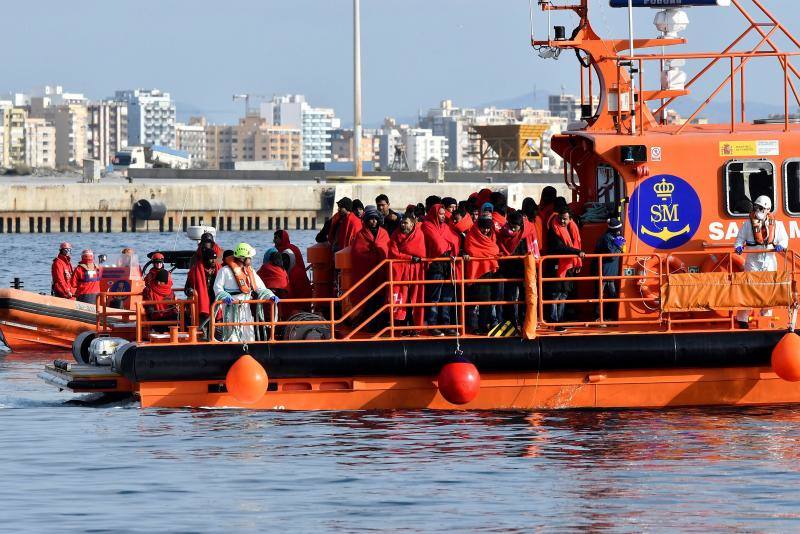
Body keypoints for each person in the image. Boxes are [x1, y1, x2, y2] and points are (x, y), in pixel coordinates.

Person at [735, 195, 789, 328]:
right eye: (756, 207)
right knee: (749, 291)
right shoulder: (747, 224)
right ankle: (742, 319)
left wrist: (781, 245)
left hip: (770, 262)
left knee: (768, 292)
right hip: (752, 262)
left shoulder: (777, 224)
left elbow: (784, 239)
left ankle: (766, 317)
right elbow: (739, 239)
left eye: (760, 208)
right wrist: (738, 246)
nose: (757, 210)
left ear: (767, 209)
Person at [213, 242, 277, 342]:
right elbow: (217, 288)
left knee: (249, 335)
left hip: (246, 308)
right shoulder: (224, 271)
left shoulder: (250, 271)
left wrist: (270, 295)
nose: (251, 259)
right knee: (232, 335)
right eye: (249, 257)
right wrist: (225, 297)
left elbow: (260, 287)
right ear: (242, 258)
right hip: (231, 309)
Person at [421, 203, 459, 336]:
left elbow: (455, 240)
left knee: (447, 298)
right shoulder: (427, 225)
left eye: (444, 214)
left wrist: (449, 246)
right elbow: (438, 244)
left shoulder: (445, 227)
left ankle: (446, 325)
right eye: (440, 214)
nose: (443, 216)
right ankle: (433, 325)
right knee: (434, 297)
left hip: (448, 265)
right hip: (435, 265)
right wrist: (449, 246)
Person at [350, 205, 391, 329]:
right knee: (367, 299)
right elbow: (357, 253)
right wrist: (372, 255)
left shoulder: (384, 233)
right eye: (371, 219)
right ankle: (368, 323)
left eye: (375, 219)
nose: (373, 221)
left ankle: (379, 323)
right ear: (367, 220)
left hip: (381, 274)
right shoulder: (360, 235)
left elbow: (387, 249)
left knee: (380, 298)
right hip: (366, 274)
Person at [499, 210, 540, 329]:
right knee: (511, 297)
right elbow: (502, 246)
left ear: (521, 225)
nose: (512, 229)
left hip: (525, 268)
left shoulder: (529, 231)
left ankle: (524, 321)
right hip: (510, 268)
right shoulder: (504, 232)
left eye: (515, 227)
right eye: (510, 226)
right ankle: (512, 321)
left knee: (525, 296)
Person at [546, 208, 585, 331]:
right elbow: (560, 247)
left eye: (565, 219)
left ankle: (560, 319)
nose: (563, 221)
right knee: (556, 294)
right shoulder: (553, 230)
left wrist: (576, 260)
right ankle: (554, 320)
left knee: (563, 294)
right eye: (561, 218)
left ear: (570, 219)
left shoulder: (569, 228)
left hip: (567, 266)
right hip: (557, 266)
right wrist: (577, 252)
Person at [389, 208, 427, 334]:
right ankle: (402, 326)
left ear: (412, 224)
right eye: (402, 223)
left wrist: (409, 257)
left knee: (414, 298)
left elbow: (421, 252)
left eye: (406, 223)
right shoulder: (395, 234)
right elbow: (393, 253)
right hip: (401, 271)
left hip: (416, 271)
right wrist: (409, 258)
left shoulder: (419, 235)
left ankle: (414, 326)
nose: (403, 225)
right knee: (402, 298)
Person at [465, 214, 501, 334]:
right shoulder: (471, 236)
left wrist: (486, 254)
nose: (485, 230)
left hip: (488, 273)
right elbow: (472, 249)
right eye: (483, 228)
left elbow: (494, 250)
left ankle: (483, 326)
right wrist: (488, 254)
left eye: (488, 228)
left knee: (486, 301)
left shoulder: (491, 235)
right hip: (476, 273)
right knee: (474, 302)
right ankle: (474, 327)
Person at [594, 218, 625, 322]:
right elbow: (611, 255)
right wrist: (619, 247)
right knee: (600, 295)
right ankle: (599, 317)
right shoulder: (607, 238)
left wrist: (618, 246)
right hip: (603, 271)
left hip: (609, 271)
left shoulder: (611, 237)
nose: (619, 232)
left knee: (611, 295)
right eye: (618, 230)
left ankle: (608, 316)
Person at [185, 247, 220, 330]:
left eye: (214, 259)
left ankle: (218, 337)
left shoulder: (220, 269)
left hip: (215, 299)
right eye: (211, 259)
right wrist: (190, 291)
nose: (213, 261)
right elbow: (187, 287)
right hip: (201, 303)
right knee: (202, 324)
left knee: (217, 324)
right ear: (205, 259)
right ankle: (202, 336)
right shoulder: (194, 270)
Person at [273, 229, 312, 303]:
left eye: (276, 238)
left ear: (282, 239)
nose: (274, 241)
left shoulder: (288, 250)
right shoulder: (290, 248)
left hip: (295, 280)